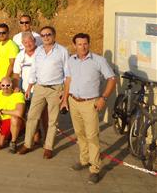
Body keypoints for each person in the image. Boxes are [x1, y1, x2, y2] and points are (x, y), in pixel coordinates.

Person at [60, 33, 116, 184]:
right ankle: (84, 160)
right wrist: (65, 99)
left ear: (89, 44)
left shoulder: (99, 60)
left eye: (85, 44)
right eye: (79, 44)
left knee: (92, 136)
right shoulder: (71, 60)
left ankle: (95, 168)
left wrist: (103, 98)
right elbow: (68, 80)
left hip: (90, 103)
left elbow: (112, 79)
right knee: (80, 133)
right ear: (74, 45)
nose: (82, 47)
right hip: (73, 101)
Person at [18, 26, 69, 159]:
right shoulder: (39, 50)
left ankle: (48, 147)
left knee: (53, 120)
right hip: (39, 87)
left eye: (48, 34)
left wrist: (64, 91)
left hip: (55, 88)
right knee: (32, 116)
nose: (46, 37)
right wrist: (29, 87)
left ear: (54, 35)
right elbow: (34, 69)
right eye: (43, 35)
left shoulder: (62, 51)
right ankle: (27, 144)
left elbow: (67, 73)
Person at [12, 32, 46, 144]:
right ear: (22, 43)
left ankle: (46, 137)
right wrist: (16, 87)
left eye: (30, 41)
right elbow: (16, 74)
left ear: (35, 41)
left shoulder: (42, 53)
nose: (28, 44)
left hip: (41, 90)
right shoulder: (20, 55)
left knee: (43, 114)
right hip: (26, 91)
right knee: (29, 115)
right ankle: (35, 134)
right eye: (25, 42)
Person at [0, 77, 26, 153]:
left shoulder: (18, 95)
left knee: (14, 119)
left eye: (8, 85)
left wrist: (2, 111)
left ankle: (13, 142)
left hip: (17, 121)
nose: (5, 87)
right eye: (3, 85)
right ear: (0, 86)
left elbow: (19, 113)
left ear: (12, 85)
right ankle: (10, 136)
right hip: (3, 122)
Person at [0, 23, 19, 92]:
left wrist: (6, 78)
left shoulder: (12, 46)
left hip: (5, 80)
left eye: (3, 32)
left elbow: (12, 64)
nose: (1, 35)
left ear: (8, 33)